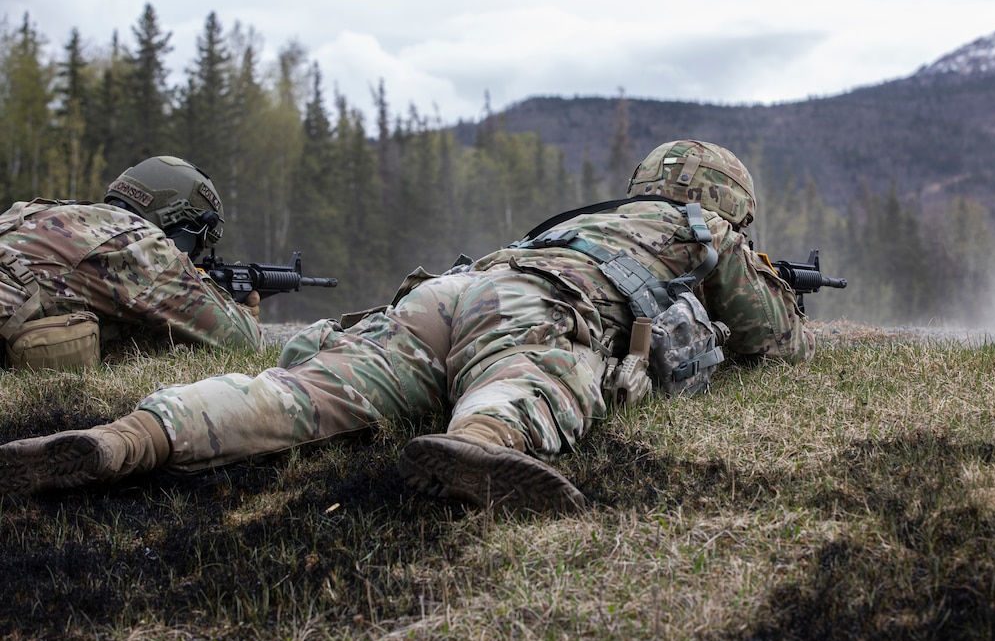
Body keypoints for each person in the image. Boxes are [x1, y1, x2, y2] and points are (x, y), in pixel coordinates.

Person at [0, 140, 813, 511]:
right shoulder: (704, 229)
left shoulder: (579, 220)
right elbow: (773, 338)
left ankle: (125, 439)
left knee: (299, 389)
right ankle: (482, 447)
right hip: (538, 305)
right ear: (730, 204)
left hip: (447, 291)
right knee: (529, 375)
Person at [0, 156, 261, 368]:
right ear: (178, 221)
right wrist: (233, 308)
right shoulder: (137, 242)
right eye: (196, 244)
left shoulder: (45, 211)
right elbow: (245, 341)